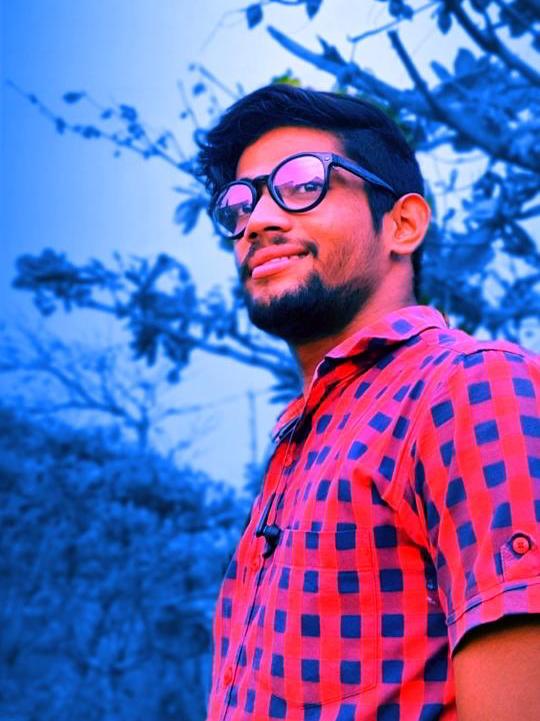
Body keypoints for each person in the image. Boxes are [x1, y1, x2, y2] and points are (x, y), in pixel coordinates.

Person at [197, 84, 540, 721]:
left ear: (403, 224)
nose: (259, 221)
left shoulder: (468, 387)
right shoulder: (303, 443)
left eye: (303, 184)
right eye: (240, 203)